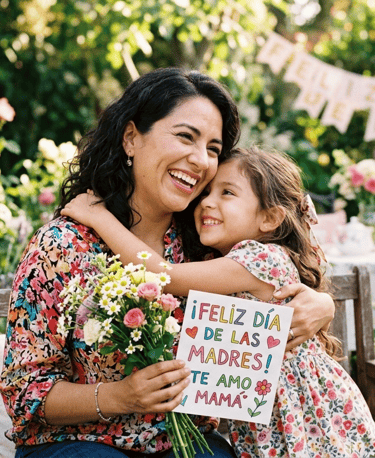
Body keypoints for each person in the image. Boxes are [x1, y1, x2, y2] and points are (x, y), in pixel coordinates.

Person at [0, 67, 334, 458]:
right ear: (130, 139)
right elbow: (25, 393)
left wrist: (319, 304)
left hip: (183, 442)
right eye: (185, 136)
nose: (200, 160)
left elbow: (284, 255)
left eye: (212, 148)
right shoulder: (62, 246)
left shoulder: (207, 243)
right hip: (78, 444)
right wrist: (120, 397)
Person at [62, 146, 375, 457]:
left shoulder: (260, 259)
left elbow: (163, 274)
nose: (207, 202)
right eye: (207, 191)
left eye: (227, 193)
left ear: (269, 218)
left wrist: (98, 217)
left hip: (306, 418)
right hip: (272, 415)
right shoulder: (226, 261)